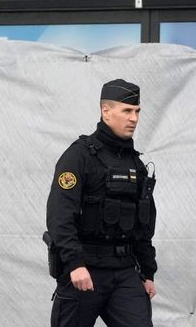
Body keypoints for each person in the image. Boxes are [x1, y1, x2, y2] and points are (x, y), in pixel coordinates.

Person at [46, 79, 157, 327]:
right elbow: (59, 216)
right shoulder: (79, 156)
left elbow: (143, 223)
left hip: (124, 272)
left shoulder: (135, 165)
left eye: (137, 111)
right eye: (126, 111)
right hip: (84, 271)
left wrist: (148, 272)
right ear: (106, 111)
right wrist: (74, 264)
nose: (134, 118)